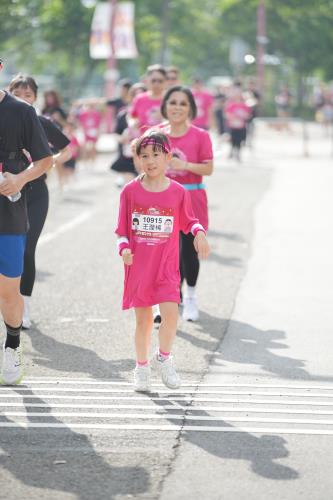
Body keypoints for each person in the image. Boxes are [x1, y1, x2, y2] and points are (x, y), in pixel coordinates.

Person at [115, 130, 210, 392]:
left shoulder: (178, 192)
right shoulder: (130, 191)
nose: (150, 160)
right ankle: (142, 367)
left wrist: (199, 232)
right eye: (144, 155)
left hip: (167, 267)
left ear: (168, 157)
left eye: (156, 154)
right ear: (137, 159)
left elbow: (189, 220)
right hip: (139, 268)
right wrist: (123, 249)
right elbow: (121, 230)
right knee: (144, 322)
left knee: (170, 315)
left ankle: (163, 358)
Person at [0, 58, 53, 384]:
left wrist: (19, 180)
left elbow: (46, 160)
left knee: (8, 292)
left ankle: (12, 345)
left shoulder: (21, 111)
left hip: (9, 211)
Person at [8, 75, 72, 328]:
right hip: (8, 193)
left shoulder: (42, 122)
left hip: (36, 194)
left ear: (35, 97)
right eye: (17, 93)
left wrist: (49, 161)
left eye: (28, 94)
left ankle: (24, 305)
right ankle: (9, 301)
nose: (23, 99)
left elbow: (67, 148)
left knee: (26, 249)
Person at [159, 86, 214, 321]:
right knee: (162, 252)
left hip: (192, 198)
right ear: (165, 106)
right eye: (173, 102)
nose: (177, 107)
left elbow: (208, 168)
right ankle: (166, 299)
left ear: (190, 108)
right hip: (161, 199)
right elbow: (144, 165)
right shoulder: (156, 134)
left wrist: (185, 166)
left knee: (188, 251)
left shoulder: (200, 135)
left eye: (183, 103)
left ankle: (190, 296)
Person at [110, 82, 146, 188]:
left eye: (142, 94)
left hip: (147, 158)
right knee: (132, 190)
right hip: (128, 158)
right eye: (135, 95)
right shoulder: (123, 114)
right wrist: (122, 138)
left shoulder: (152, 114)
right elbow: (116, 134)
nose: (138, 98)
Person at [129, 65, 167, 132]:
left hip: (166, 140)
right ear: (147, 80)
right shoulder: (140, 99)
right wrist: (133, 123)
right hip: (144, 140)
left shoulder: (170, 99)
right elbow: (132, 117)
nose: (156, 84)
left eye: (160, 81)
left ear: (165, 81)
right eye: (153, 80)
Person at [225, 85, 251, 162]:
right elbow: (227, 114)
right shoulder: (231, 105)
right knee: (233, 139)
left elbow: (248, 115)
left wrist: (243, 116)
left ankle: (238, 153)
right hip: (233, 125)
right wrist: (233, 117)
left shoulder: (245, 105)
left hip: (241, 126)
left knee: (240, 140)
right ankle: (232, 151)